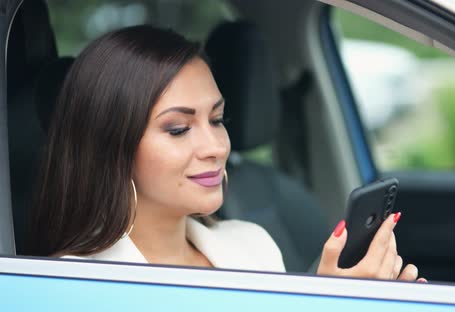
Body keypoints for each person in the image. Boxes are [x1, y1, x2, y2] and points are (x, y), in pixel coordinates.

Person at [30, 25, 424, 281]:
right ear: (112, 145)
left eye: (217, 120)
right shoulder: (73, 284)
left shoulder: (252, 243)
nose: (216, 147)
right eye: (179, 128)